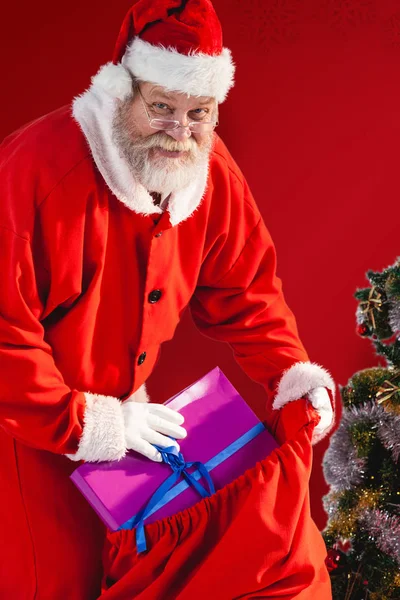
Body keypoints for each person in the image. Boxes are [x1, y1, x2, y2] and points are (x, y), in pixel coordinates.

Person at [0, 1, 335, 598]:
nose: (181, 131)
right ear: (121, 91)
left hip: (133, 440)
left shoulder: (208, 171)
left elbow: (247, 288)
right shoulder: (32, 171)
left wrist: (291, 371)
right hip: (25, 447)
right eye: (161, 108)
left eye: (198, 113)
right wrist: (89, 423)